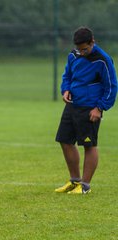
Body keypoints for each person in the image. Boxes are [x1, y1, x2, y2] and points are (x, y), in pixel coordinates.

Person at [55, 27, 117, 194]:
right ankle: (75, 181)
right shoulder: (73, 55)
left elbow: (111, 86)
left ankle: (85, 185)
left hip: (90, 108)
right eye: (79, 49)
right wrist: (65, 89)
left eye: (85, 49)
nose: (82, 53)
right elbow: (67, 75)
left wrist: (100, 108)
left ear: (92, 42)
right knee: (65, 141)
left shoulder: (102, 60)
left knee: (89, 145)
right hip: (72, 104)